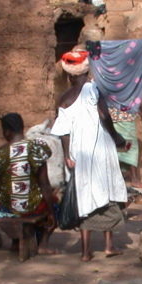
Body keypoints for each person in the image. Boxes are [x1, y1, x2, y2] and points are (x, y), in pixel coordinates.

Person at [50, 49, 129, 262]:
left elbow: (63, 131)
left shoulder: (64, 98)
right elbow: (104, 116)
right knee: (108, 193)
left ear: (69, 75)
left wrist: (68, 155)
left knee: (84, 197)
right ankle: (109, 246)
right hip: (101, 150)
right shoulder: (94, 90)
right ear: (87, 71)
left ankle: (85, 252)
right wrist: (116, 137)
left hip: (79, 154)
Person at [0, 112, 59, 254]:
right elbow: (45, 185)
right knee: (54, 202)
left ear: (6, 132)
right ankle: (43, 244)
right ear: (22, 128)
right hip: (31, 208)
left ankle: (15, 242)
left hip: (6, 209)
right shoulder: (36, 149)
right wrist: (52, 213)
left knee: (7, 198)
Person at [108, 104, 142, 188]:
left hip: (111, 115)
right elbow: (134, 95)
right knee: (131, 147)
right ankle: (134, 179)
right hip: (125, 116)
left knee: (117, 147)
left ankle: (118, 176)